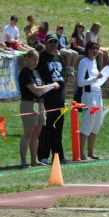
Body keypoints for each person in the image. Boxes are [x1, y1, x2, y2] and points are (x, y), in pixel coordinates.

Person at [18, 49, 58, 167]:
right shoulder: (25, 72)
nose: (36, 62)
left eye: (37, 59)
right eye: (34, 59)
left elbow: (41, 88)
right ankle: (24, 161)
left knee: (36, 134)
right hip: (29, 104)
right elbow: (34, 89)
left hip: (40, 104)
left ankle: (34, 160)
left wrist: (49, 88)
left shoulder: (36, 72)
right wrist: (51, 85)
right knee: (28, 134)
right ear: (27, 59)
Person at [37, 36, 67, 164]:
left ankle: (59, 155)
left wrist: (64, 97)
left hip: (59, 99)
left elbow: (63, 76)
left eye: (55, 42)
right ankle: (43, 155)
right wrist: (40, 99)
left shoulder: (59, 57)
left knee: (58, 128)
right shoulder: (41, 58)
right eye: (50, 42)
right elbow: (38, 78)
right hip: (47, 98)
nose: (53, 44)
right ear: (45, 43)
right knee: (46, 128)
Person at [77, 41, 105, 160]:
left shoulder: (94, 61)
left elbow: (95, 81)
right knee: (87, 124)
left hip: (98, 94)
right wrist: (95, 78)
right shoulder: (83, 62)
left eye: (97, 48)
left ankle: (90, 153)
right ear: (87, 49)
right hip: (89, 96)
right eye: (93, 48)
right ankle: (80, 153)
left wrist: (103, 78)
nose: (95, 50)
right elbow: (80, 82)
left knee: (96, 125)